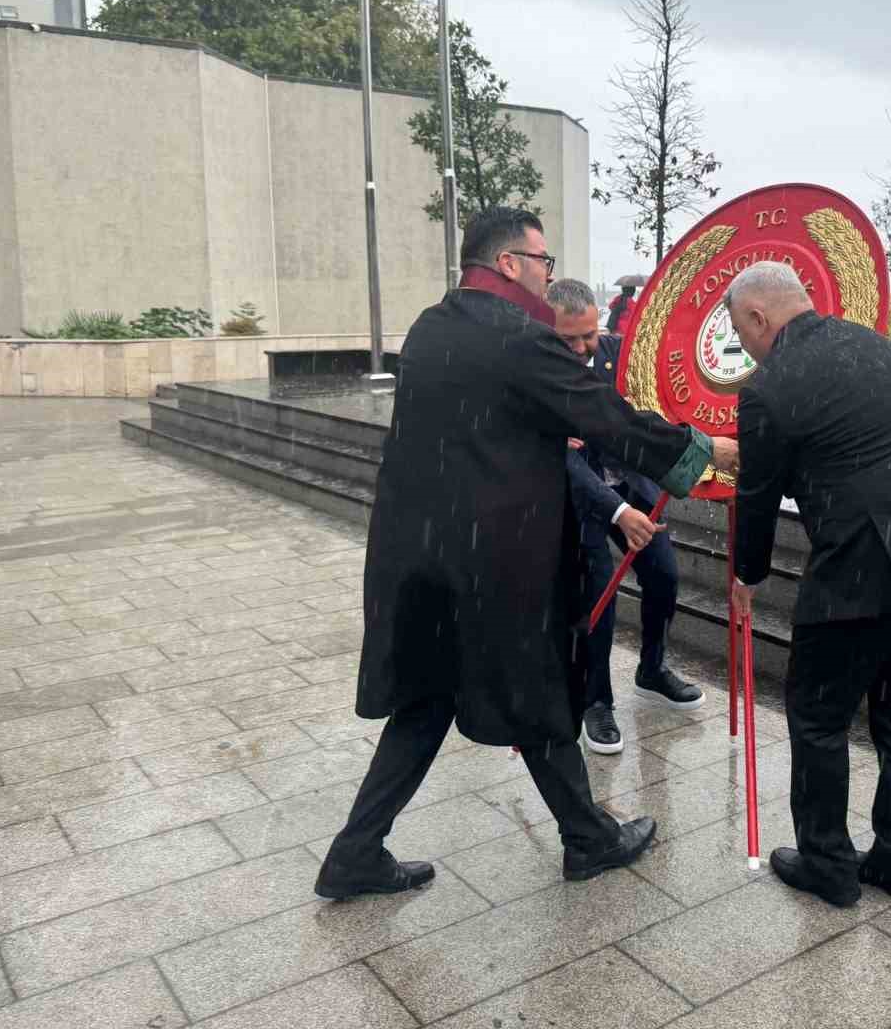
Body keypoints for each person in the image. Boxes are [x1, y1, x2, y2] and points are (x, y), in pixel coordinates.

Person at [314, 207, 737, 900]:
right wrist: (700, 451)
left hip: (419, 557)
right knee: (536, 691)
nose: (549, 272)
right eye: (542, 260)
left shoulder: (430, 328)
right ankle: (588, 839)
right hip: (492, 565)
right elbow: (604, 414)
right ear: (510, 263)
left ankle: (356, 852)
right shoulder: (519, 338)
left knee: (426, 702)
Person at [724, 261, 891, 909]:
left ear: (760, 318)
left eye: (741, 333)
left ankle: (828, 865)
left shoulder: (769, 389)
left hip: (862, 573)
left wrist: (744, 576)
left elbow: (757, 500)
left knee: (817, 717)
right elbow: (849, 447)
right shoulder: (872, 345)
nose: (746, 349)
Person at [545, 279, 705, 757]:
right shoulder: (542, 374)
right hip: (581, 500)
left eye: (588, 336)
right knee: (598, 596)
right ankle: (597, 701)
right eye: (567, 339)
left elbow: (650, 415)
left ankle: (651, 670)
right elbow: (565, 460)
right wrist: (617, 509)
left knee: (665, 576)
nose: (580, 348)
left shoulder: (623, 355)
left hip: (632, 485)